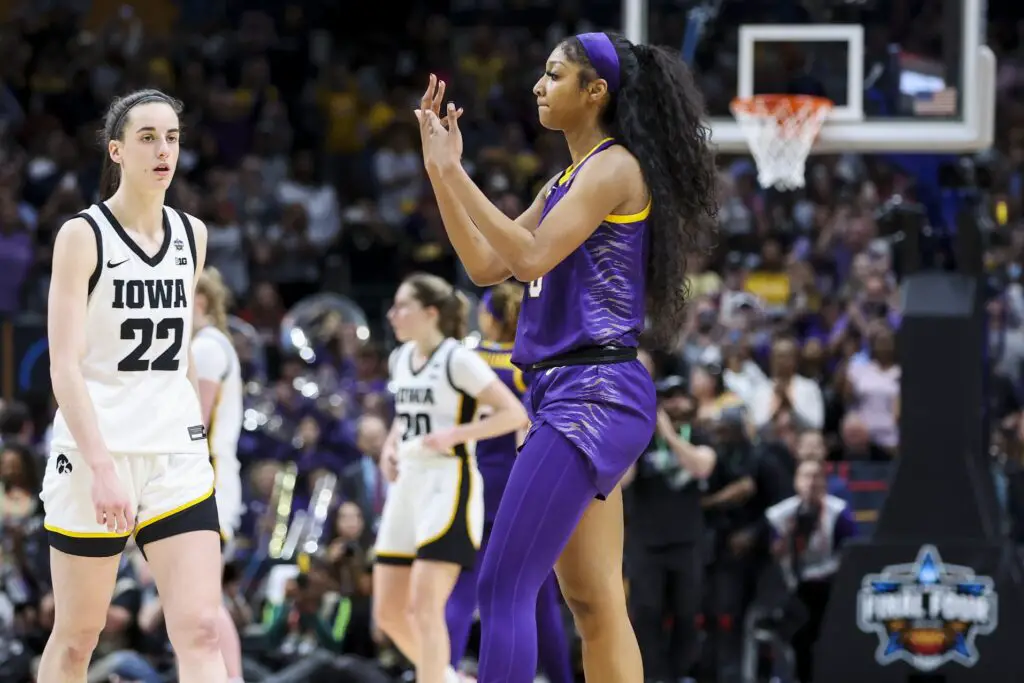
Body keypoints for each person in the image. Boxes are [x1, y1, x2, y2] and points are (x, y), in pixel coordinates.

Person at [415, 28, 718, 683]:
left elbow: (527, 258)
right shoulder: (566, 178)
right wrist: (442, 172)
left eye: (554, 75)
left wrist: (457, 172)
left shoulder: (614, 167)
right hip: (569, 391)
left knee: (503, 585)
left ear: (596, 91)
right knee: (594, 597)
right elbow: (486, 265)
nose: (538, 86)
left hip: (592, 391)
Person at [39, 88, 228, 682]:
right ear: (117, 151)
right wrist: (99, 466)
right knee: (78, 636)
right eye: (147, 137)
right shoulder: (82, 235)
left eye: (171, 137)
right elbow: (63, 365)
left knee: (199, 627)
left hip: (175, 450)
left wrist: (201, 437)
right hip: (97, 449)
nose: (162, 149)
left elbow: (183, 355)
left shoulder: (192, 234)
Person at [372, 273, 530, 683]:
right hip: (407, 483)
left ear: (430, 313)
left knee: (426, 610)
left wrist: (456, 435)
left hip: (449, 482)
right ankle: (449, 678)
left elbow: (514, 414)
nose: (393, 314)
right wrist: (390, 446)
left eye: (402, 305)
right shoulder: (400, 358)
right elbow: (406, 418)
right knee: (389, 613)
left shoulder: (458, 359)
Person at [444, 283, 573, 683]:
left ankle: (440, 672)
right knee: (541, 596)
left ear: (489, 316)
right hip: (522, 482)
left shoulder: (464, 358)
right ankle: (561, 677)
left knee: (466, 588)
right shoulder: (530, 363)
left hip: (474, 482)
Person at [191, 266, 246, 683]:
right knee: (199, 603)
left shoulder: (207, 347)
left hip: (209, 481)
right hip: (206, 479)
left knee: (204, 602)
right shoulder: (204, 344)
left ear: (201, 302)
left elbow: (196, 422)